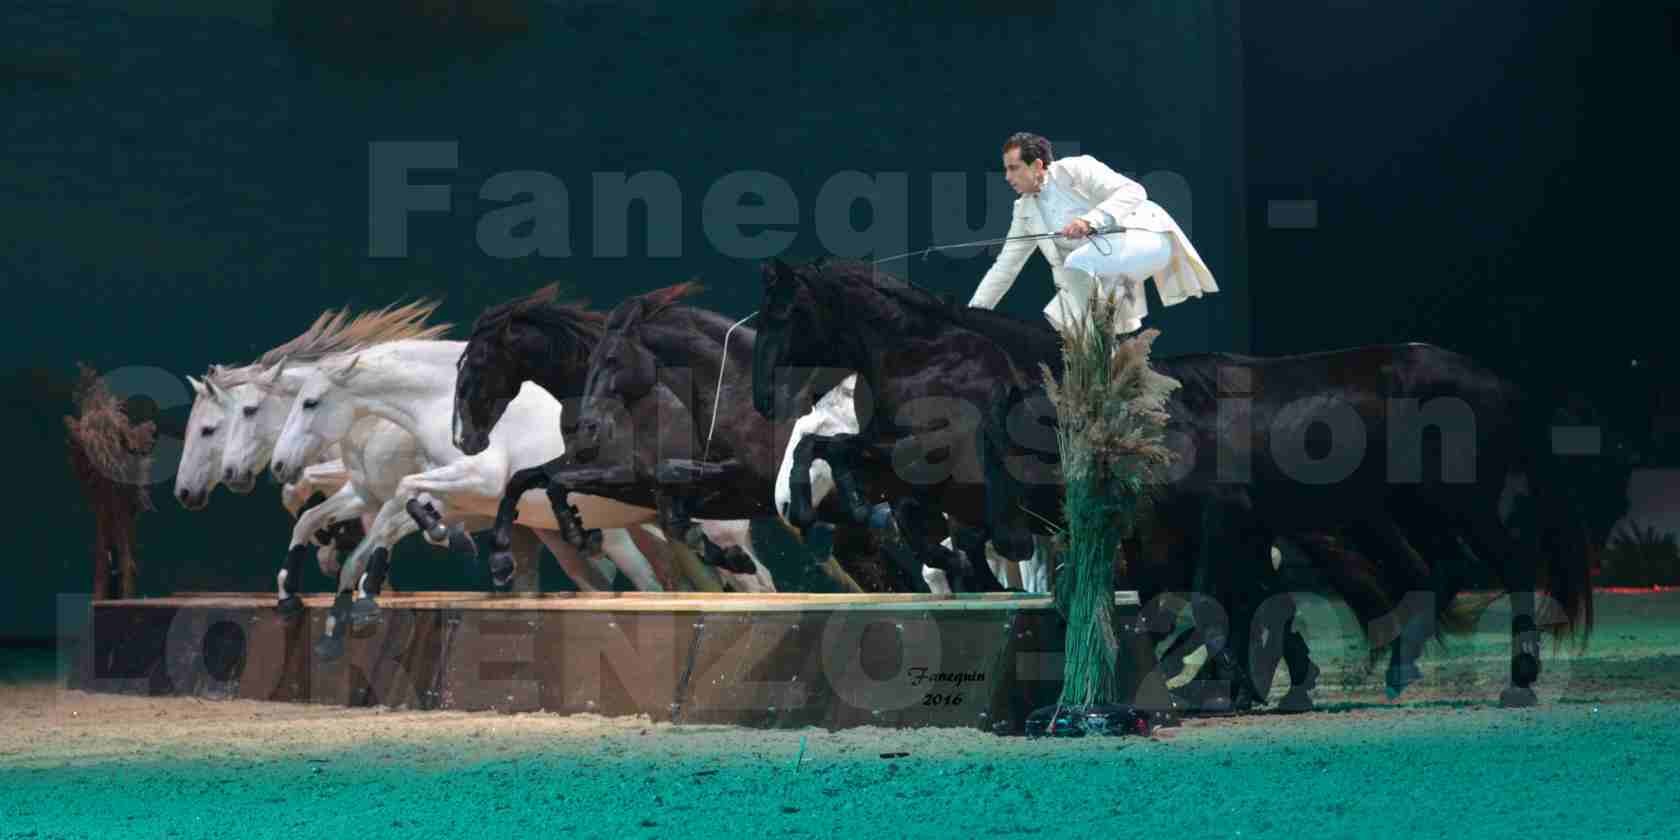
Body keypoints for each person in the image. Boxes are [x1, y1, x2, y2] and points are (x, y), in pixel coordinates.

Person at [968, 132, 1218, 334]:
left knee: (1077, 270)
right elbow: (1005, 267)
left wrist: (1089, 221)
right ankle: (1106, 373)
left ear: (1037, 165)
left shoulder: (1076, 168)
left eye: (1014, 168)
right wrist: (972, 315)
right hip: (1102, 269)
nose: (1007, 177)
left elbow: (1134, 192)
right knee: (1066, 324)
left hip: (1149, 238)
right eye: (1006, 170)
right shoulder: (1024, 209)